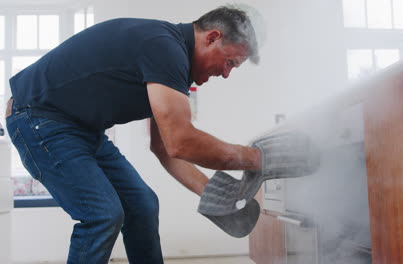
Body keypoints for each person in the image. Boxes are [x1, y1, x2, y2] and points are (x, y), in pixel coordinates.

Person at [5, 6, 262, 264]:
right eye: (230, 62)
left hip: (83, 129)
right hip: (40, 118)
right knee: (102, 214)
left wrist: (212, 194)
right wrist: (257, 159)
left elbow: (166, 147)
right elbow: (181, 140)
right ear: (212, 37)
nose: (226, 74)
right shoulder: (164, 47)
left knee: (143, 206)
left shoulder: (173, 62)